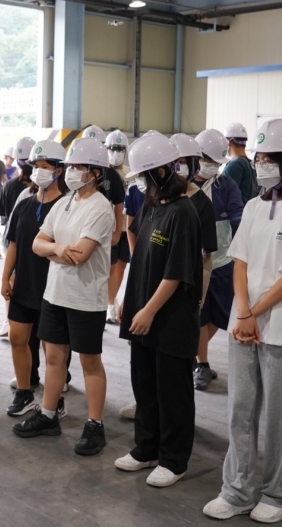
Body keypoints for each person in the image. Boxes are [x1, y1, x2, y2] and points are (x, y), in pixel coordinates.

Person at [201, 119, 282, 523]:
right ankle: (235, 490)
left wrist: (254, 312)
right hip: (245, 324)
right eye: (259, 158)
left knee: (280, 416)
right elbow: (241, 261)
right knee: (240, 409)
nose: (262, 165)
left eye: (271, 159)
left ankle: (279, 493)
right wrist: (244, 312)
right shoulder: (254, 206)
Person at [13, 137, 115, 457]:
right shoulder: (64, 203)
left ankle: (95, 425)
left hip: (86, 298)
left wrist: (53, 249)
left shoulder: (100, 208)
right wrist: (57, 248)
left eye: (78, 167)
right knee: (54, 358)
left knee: (89, 363)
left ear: (95, 172)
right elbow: (38, 244)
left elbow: (82, 255)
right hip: (55, 294)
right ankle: (47, 415)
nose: (70, 172)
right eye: (69, 166)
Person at [114, 131, 202, 489]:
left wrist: (149, 310)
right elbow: (141, 257)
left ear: (162, 173)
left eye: (144, 178)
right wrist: (126, 297)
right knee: (145, 384)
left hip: (170, 319)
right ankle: (145, 448)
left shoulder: (183, 213)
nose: (140, 186)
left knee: (172, 391)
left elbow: (176, 273)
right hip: (142, 313)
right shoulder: (152, 206)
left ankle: (174, 458)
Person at [2, 140, 68, 416]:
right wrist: (6, 278)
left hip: (54, 286)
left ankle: (55, 402)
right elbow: (14, 245)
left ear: (59, 170)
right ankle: (25, 391)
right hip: (24, 283)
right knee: (18, 338)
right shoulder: (25, 204)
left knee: (52, 350)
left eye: (45, 167)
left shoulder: (67, 207)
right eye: (35, 166)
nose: (39, 172)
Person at [191, 128, 243, 391]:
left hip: (222, 261)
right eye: (206, 160)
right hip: (192, 264)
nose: (210, 167)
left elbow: (237, 214)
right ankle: (202, 363)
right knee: (198, 315)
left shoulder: (226, 185)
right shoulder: (184, 185)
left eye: (215, 163)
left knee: (219, 316)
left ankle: (195, 351)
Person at [170, 133, 220, 390]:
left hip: (183, 291)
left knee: (177, 353)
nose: (176, 167)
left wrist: (195, 299)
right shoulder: (156, 199)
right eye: (171, 161)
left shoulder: (201, 203)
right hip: (151, 291)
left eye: (181, 161)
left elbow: (204, 258)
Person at [0, 137, 37, 338]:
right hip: (21, 242)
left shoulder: (10, 186)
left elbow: (4, 216)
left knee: (14, 281)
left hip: (13, 240)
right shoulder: (28, 192)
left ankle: (9, 320)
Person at [104, 130, 130, 325]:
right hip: (110, 229)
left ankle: (112, 300)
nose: (116, 153)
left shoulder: (131, 173)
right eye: (113, 149)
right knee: (109, 268)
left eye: (120, 149)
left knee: (120, 267)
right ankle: (109, 303)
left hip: (127, 229)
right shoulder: (102, 173)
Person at [223, 122, 258, 202]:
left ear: (229, 142)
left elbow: (223, 195)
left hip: (237, 213)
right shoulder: (249, 163)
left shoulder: (235, 165)